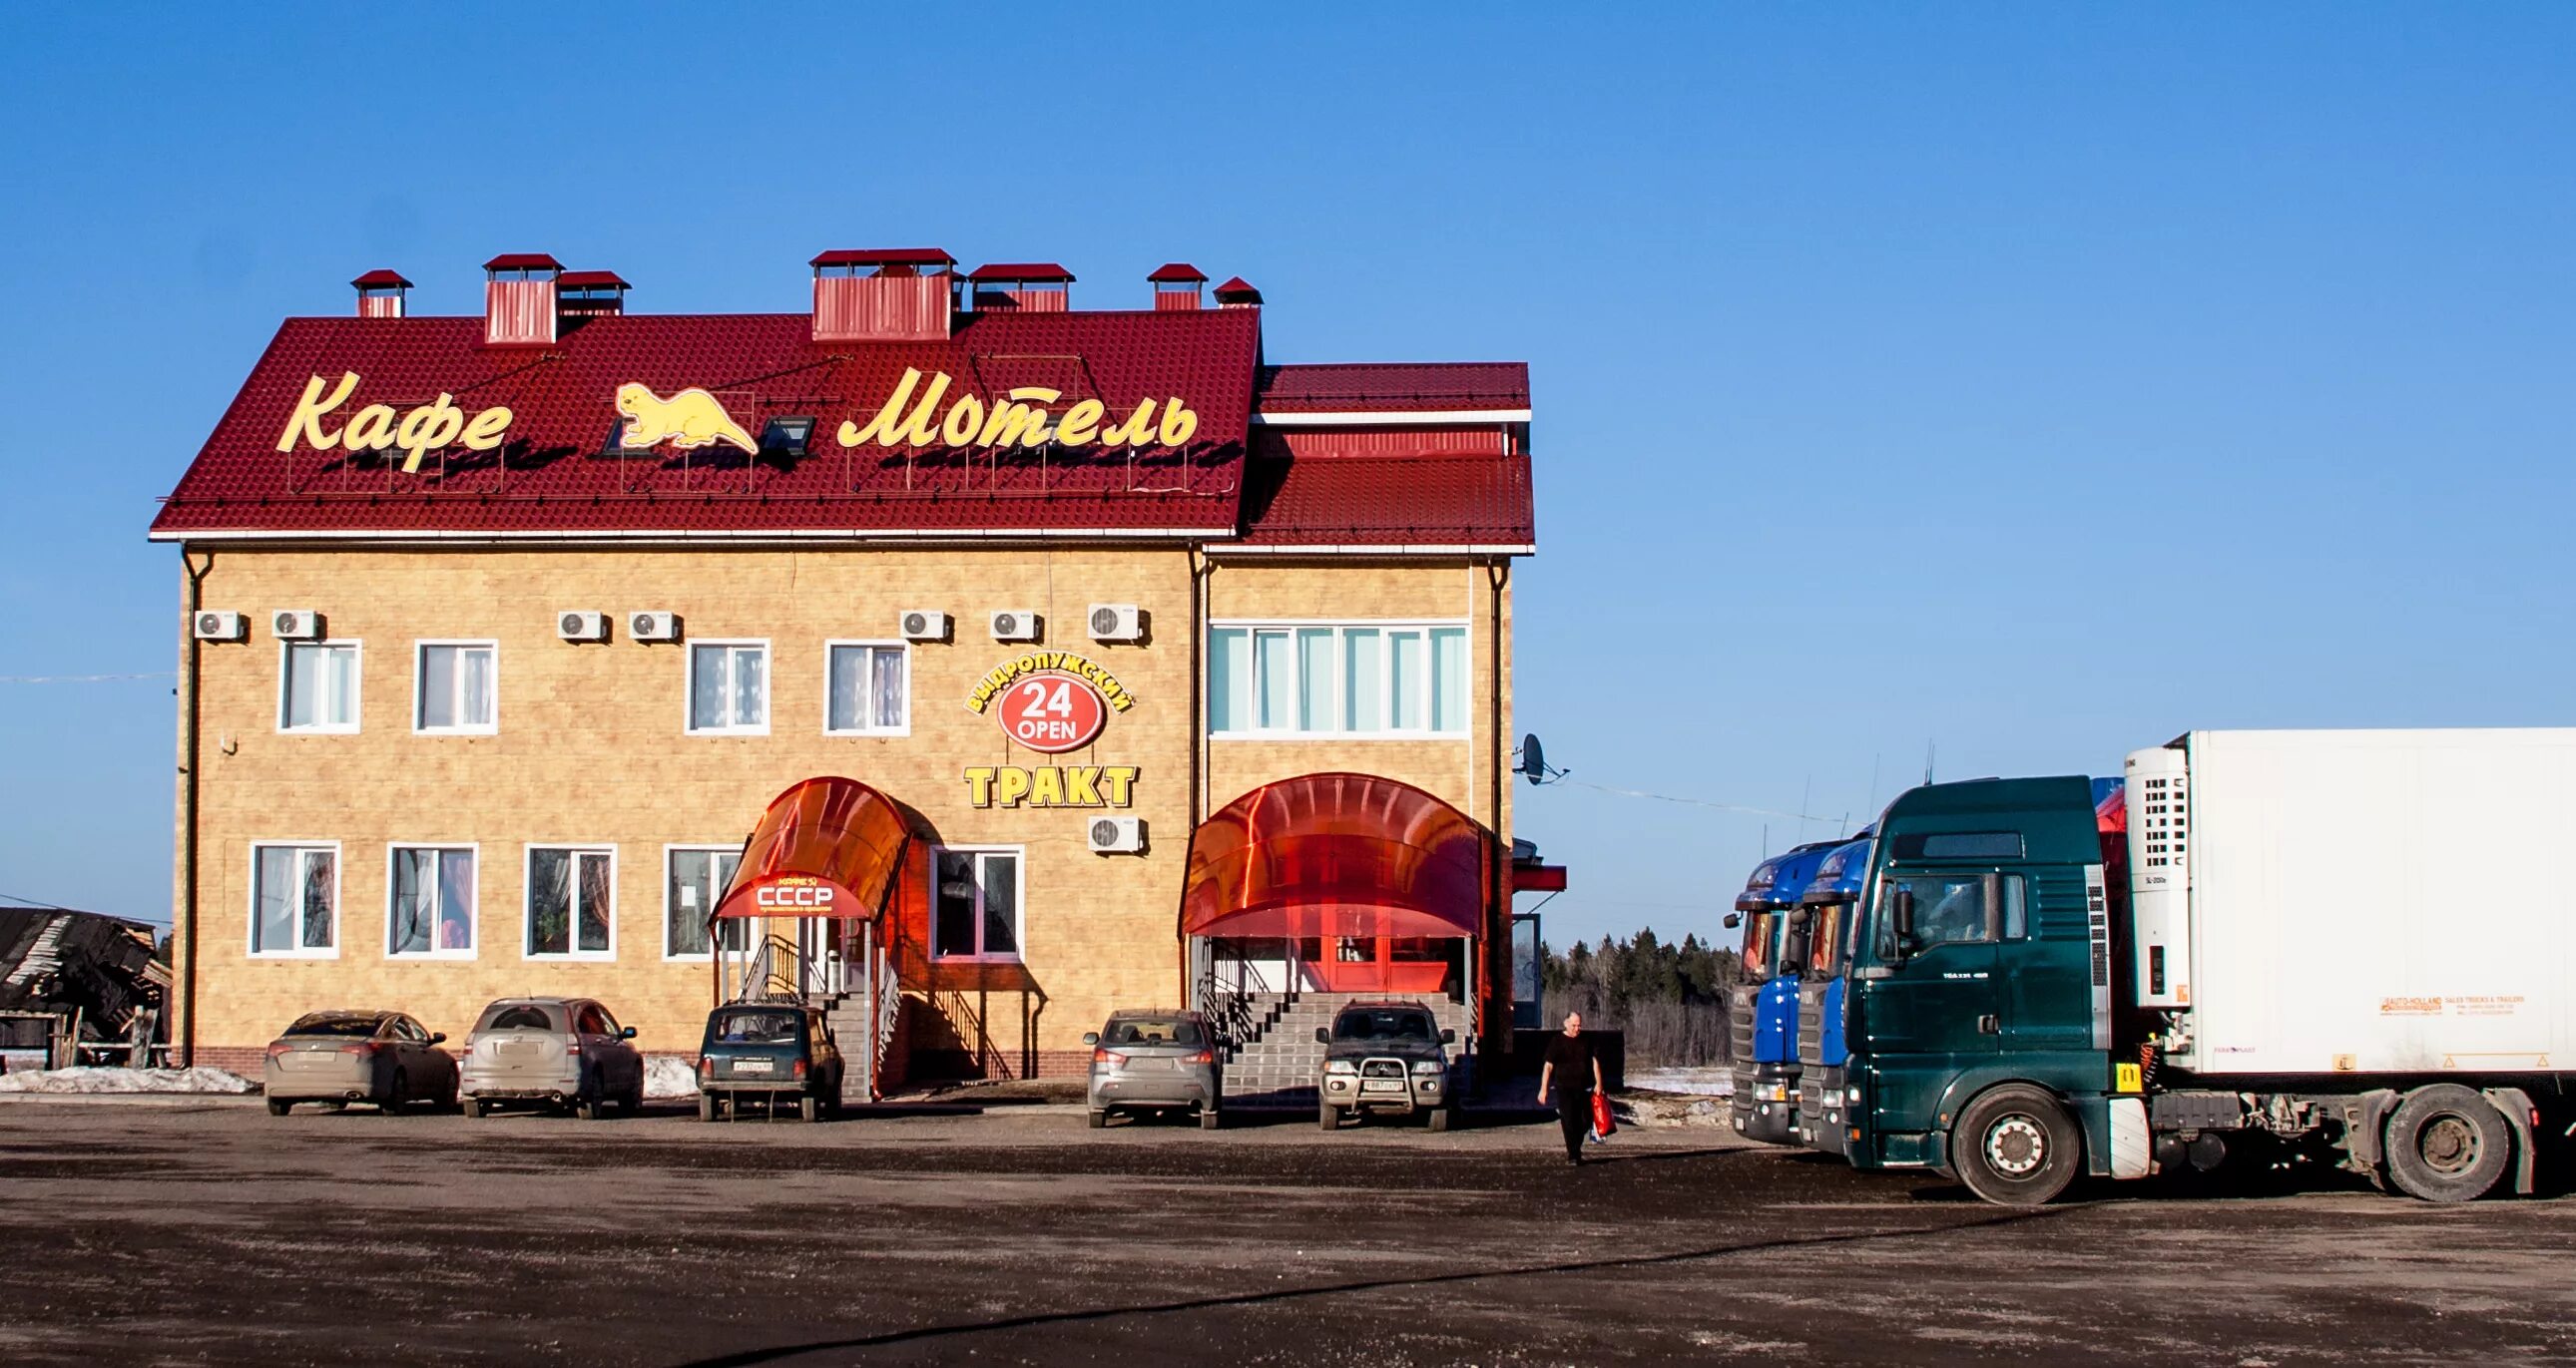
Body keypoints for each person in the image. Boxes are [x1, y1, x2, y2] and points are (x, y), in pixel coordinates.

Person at [1535, 1011, 1604, 1165]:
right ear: (1566, 1023)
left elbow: (1595, 1063)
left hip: (1585, 1087)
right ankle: (1573, 1154)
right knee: (1569, 1120)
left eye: (1579, 1025)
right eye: (1574, 1025)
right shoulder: (1557, 1041)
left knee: (1586, 1119)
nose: (1577, 1028)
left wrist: (1599, 1083)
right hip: (1564, 1087)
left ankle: (1575, 1146)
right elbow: (1548, 1066)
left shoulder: (1586, 1040)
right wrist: (1543, 1088)